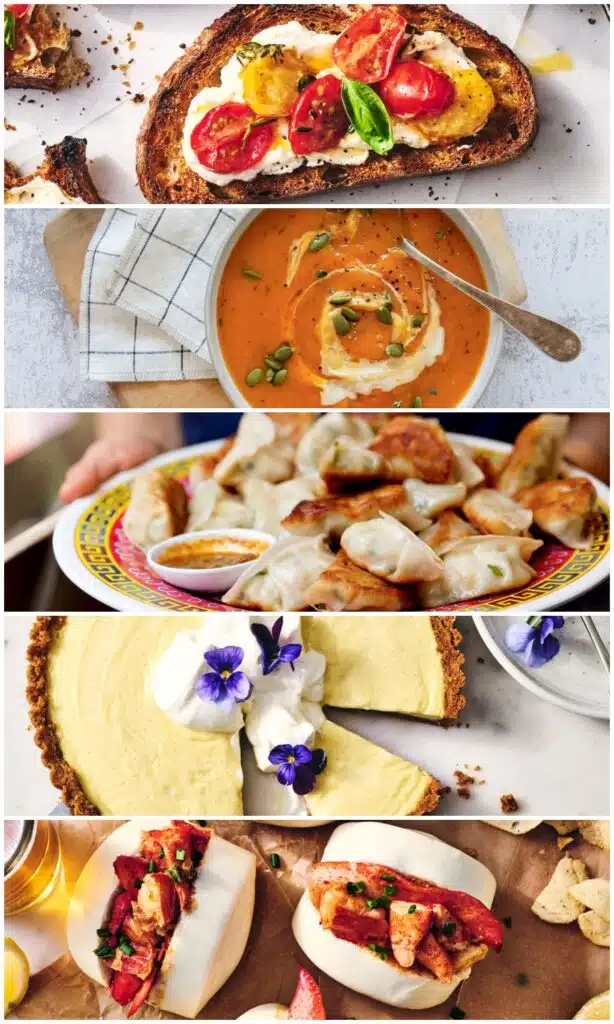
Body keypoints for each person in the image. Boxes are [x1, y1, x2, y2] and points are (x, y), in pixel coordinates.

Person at [59, 411, 609, 504]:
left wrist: (580, 457)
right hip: (225, 460)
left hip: (487, 459)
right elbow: (141, 364)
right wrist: (141, 442)